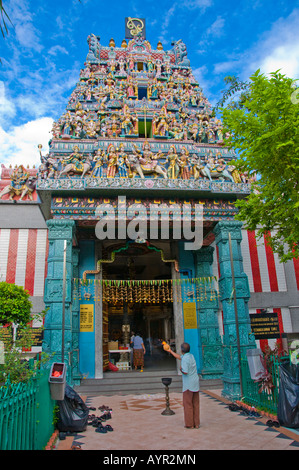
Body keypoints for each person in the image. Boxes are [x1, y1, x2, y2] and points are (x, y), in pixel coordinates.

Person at [167, 342, 200, 428]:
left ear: (182, 350)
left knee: (188, 404)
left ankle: (189, 424)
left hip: (188, 384)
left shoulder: (185, 359)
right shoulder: (190, 356)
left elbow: (185, 371)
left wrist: (181, 369)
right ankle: (196, 423)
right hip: (195, 383)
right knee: (195, 403)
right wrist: (170, 351)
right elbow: (179, 357)